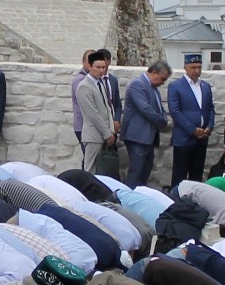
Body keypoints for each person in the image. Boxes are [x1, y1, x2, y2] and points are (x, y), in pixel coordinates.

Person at [119, 60, 173, 188]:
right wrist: (162, 122)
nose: (163, 83)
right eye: (162, 79)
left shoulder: (154, 89)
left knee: (146, 169)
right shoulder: (137, 85)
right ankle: (130, 195)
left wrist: (163, 118)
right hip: (137, 137)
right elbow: (145, 109)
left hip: (148, 138)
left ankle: (140, 194)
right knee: (136, 171)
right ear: (154, 72)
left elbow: (160, 109)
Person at [166, 53, 214, 186]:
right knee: (180, 176)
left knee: (196, 177)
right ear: (185, 67)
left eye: (199, 67)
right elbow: (175, 111)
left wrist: (209, 126)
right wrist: (192, 130)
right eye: (193, 67)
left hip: (202, 139)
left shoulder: (205, 86)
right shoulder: (176, 86)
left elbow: (210, 109)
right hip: (184, 139)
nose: (196, 71)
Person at [72, 49, 119, 174]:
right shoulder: (84, 86)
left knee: (103, 171)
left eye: (103, 67)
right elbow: (93, 114)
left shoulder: (100, 83)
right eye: (98, 67)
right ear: (90, 66)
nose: (101, 70)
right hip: (93, 136)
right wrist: (107, 134)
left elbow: (107, 108)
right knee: (90, 170)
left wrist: (111, 131)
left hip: (104, 134)